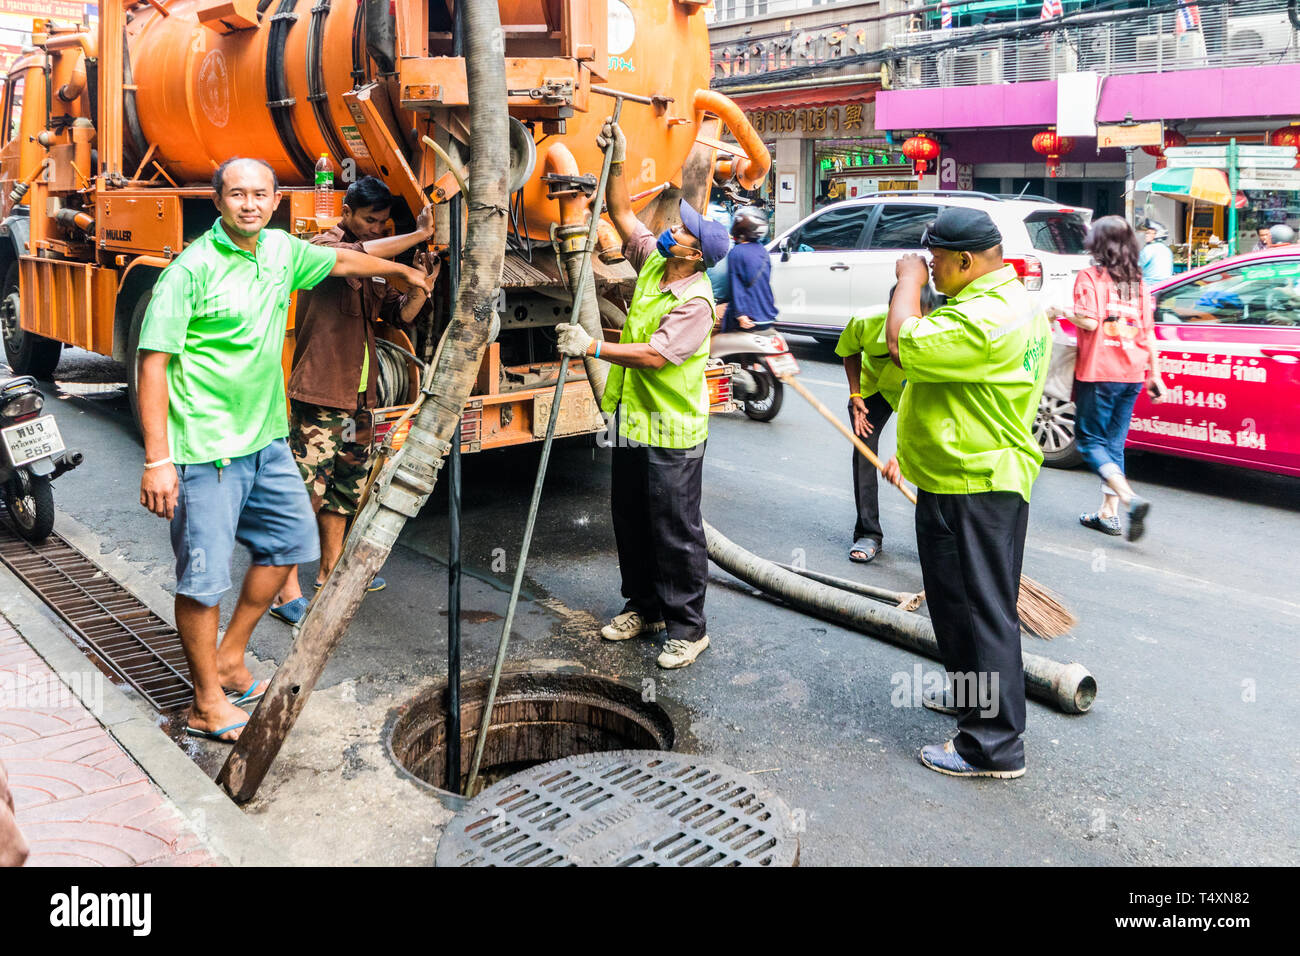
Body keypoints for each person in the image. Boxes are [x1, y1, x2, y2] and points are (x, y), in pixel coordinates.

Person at [136, 157, 435, 742]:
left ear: (276, 200)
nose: (249, 204)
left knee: (288, 545)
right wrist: (157, 458)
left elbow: (345, 259)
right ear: (217, 200)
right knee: (203, 578)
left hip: (266, 440)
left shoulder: (279, 252)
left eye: (260, 195)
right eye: (237, 194)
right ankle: (205, 702)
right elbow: (155, 363)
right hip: (204, 449)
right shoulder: (190, 270)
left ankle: (231, 656)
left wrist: (400, 271)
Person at [880, 207, 1051, 780]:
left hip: (978, 481)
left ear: (964, 260)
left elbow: (903, 342)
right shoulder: (1004, 303)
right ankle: (970, 696)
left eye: (934, 262)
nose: (929, 270)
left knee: (983, 613)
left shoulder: (987, 317)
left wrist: (907, 283)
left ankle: (993, 747)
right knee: (954, 604)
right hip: (954, 475)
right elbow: (951, 388)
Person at [554, 118, 729, 670]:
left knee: (675, 531)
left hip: (673, 432)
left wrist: (592, 346)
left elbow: (655, 354)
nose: (676, 225)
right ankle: (645, 607)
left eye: (686, 230)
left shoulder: (696, 301)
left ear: (696, 256)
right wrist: (621, 159)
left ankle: (688, 628)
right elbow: (623, 212)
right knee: (629, 518)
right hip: (632, 422)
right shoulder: (657, 260)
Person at [269, 176, 438, 624]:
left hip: (359, 396)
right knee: (306, 492)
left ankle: (329, 572)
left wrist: (421, 285)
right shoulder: (325, 244)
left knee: (346, 489)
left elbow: (397, 314)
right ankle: (282, 590)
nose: (376, 230)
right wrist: (416, 239)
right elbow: (353, 259)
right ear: (346, 212)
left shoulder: (380, 256)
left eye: (383, 223)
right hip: (321, 390)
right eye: (369, 220)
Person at [1067, 216, 1165, 541]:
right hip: (1133, 373)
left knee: (1090, 442)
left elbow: (1091, 322)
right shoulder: (1136, 280)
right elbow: (1149, 332)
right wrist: (1156, 375)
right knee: (1113, 443)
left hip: (1099, 372)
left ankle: (1129, 499)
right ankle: (1108, 514)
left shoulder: (1090, 276)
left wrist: (1058, 311)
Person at [835, 282, 942, 564]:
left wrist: (904, 456)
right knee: (864, 450)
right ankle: (868, 533)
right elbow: (849, 350)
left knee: (935, 454)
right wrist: (855, 393)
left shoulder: (938, 334)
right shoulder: (866, 321)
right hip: (872, 389)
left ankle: (940, 537)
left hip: (915, 390)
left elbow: (931, 409)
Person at [723, 206, 777, 332]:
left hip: (748, 318)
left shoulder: (737, 252)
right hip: (767, 315)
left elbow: (736, 287)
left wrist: (740, 315)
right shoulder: (763, 251)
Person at [1139, 219, 1174, 284]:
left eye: (1149, 233)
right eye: (1146, 233)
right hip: (1166, 286)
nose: (1146, 235)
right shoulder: (1167, 250)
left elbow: (1136, 266)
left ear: (1157, 234)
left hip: (1149, 286)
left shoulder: (1149, 249)